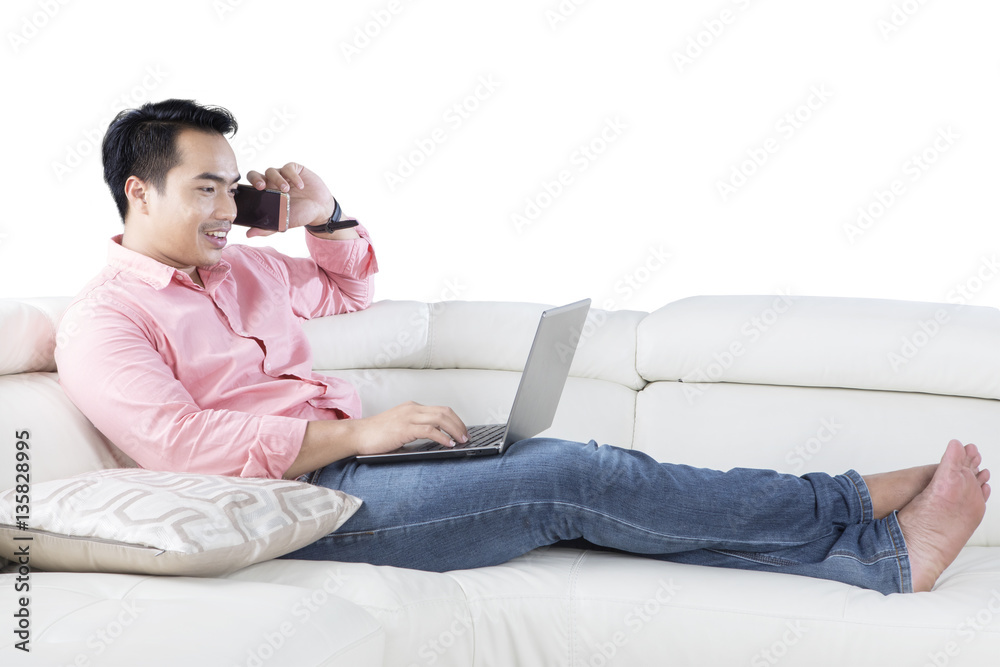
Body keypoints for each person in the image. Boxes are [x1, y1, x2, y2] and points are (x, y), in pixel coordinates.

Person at [54, 99, 991, 596]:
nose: (227, 210)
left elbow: (345, 283)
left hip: (357, 467)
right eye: (204, 191)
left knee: (590, 492)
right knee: (570, 475)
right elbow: (176, 443)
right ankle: (847, 502)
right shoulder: (105, 321)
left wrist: (324, 215)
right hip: (303, 506)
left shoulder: (247, 273)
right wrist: (359, 437)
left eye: (232, 188)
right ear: (139, 193)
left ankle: (876, 559)